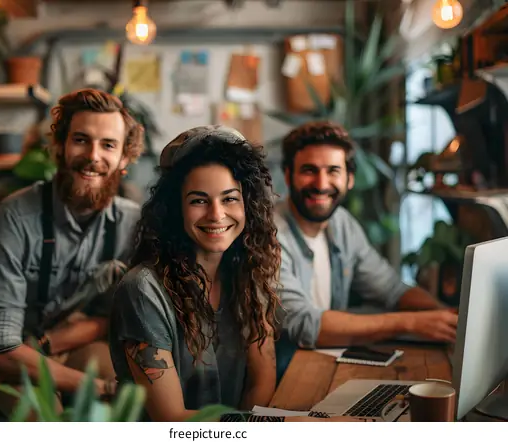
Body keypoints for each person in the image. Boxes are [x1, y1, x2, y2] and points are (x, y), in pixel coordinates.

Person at [108, 126, 357, 423]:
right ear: (175, 208)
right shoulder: (142, 290)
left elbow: (260, 383)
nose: (216, 214)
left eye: (229, 199)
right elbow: (171, 419)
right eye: (199, 200)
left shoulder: (250, 272)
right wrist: (296, 425)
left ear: (248, 205)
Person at [0, 89, 144, 419]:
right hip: (18, 359)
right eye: (81, 139)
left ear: (125, 158)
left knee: (120, 395)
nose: (93, 155)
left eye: (108, 145)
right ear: (60, 146)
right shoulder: (14, 218)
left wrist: (57, 340)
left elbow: (129, 323)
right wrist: (96, 388)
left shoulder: (134, 224)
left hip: (79, 349)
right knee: (41, 415)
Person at [274, 121, 459, 380]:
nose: (321, 183)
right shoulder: (270, 234)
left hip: (322, 364)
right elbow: (305, 325)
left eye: (333, 171)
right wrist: (412, 323)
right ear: (287, 175)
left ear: (349, 179)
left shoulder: (342, 224)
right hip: (281, 377)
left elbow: (391, 289)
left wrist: (444, 318)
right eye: (308, 170)